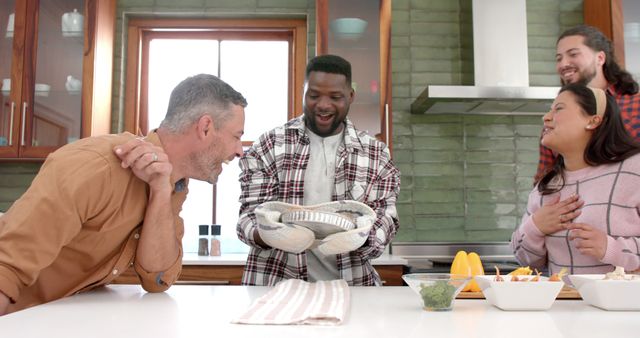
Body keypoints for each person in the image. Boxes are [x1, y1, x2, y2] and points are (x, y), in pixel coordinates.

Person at [0, 74, 247, 315]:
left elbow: (158, 279)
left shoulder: (173, 185)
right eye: (237, 137)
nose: (239, 151)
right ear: (205, 128)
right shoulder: (96, 167)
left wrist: (160, 192)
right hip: (16, 318)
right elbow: (5, 267)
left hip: (56, 320)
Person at [236, 54, 400, 286]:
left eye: (335, 97)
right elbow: (248, 216)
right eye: (313, 95)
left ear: (351, 96)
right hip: (275, 286)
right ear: (303, 92)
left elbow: (387, 218)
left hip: (353, 289)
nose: (323, 105)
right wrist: (270, 234)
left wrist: (359, 238)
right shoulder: (269, 146)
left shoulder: (375, 154)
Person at [511, 83, 640, 276]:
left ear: (592, 120)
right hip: (563, 304)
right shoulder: (545, 187)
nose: (545, 117)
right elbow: (527, 262)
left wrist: (611, 248)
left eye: (559, 109)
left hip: (625, 305)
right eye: (549, 110)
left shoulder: (634, 169)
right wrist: (535, 226)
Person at [535, 25, 640, 183]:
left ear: (600, 58)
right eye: (559, 58)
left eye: (573, 54)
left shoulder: (636, 105)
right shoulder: (555, 120)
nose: (564, 64)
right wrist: (540, 208)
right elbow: (544, 180)